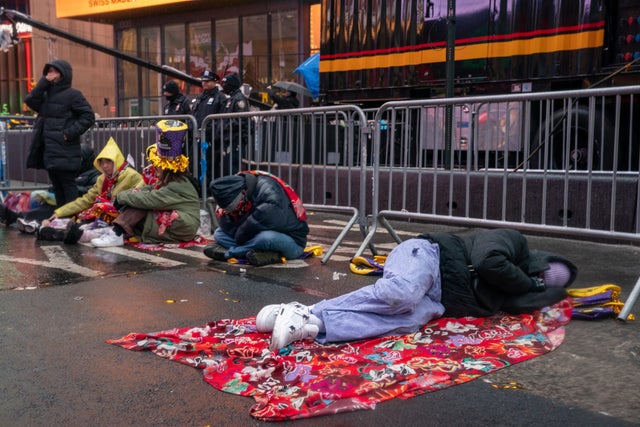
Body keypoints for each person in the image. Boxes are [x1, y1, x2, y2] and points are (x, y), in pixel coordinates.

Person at [256, 228, 577, 350]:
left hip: (438, 299)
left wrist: (536, 293)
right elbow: (488, 262)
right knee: (401, 294)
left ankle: (315, 326)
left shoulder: (509, 292)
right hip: (427, 256)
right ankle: (307, 309)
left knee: (407, 320)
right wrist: (529, 283)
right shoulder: (512, 242)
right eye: (543, 277)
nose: (539, 283)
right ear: (537, 264)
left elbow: (520, 297)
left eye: (543, 285)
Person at [89, 119, 201, 248]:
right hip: (179, 222)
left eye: (156, 166)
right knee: (137, 198)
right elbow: (149, 190)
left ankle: (117, 233)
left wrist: (122, 197)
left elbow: (150, 198)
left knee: (141, 203)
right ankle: (116, 232)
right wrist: (125, 196)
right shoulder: (171, 180)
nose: (154, 168)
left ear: (165, 168)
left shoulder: (178, 184)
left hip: (183, 226)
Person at [21, 137, 144, 242]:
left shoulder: (131, 176)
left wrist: (109, 207)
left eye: (108, 162)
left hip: (122, 220)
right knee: (78, 222)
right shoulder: (102, 179)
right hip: (103, 217)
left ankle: (58, 233)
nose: (105, 166)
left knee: (87, 227)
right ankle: (48, 230)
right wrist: (60, 212)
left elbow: (137, 199)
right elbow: (86, 200)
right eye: (102, 162)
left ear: (116, 161)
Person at [24, 59, 96, 209]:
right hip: (50, 150)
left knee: (68, 186)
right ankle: (61, 220)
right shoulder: (47, 96)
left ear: (63, 74)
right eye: (48, 71)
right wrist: (43, 82)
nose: (50, 74)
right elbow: (30, 100)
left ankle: (72, 220)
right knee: (57, 187)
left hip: (65, 149)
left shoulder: (73, 95)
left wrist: (69, 134)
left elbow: (88, 116)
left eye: (54, 71)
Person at [203, 171, 309, 266]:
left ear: (241, 195)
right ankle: (263, 254)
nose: (228, 211)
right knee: (219, 234)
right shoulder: (238, 192)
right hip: (254, 237)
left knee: (265, 238)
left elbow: (262, 220)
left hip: (292, 243)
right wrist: (232, 222)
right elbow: (230, 226)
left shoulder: (268, 190)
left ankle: (230, 253)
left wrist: (241, 234)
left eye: (230, 207)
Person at [1, 143, 99, 226]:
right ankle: (19, 216)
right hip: (67, 201)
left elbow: (90, 193)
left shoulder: (95, 174)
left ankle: (18, 217)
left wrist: (70, 188)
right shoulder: (74, 172)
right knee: (46, 205)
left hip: (78, 204)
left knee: (52, 210)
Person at [191, 70, 227, 188]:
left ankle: (209, 191)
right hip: (198, 138)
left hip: (211, 139)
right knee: (196, 165)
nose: (204, 83)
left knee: (210, 166)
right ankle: (199, 190)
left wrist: (213, 133)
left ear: (215, 82)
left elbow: (221, 119)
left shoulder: (220, 98)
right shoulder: (200, 98)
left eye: (207, 81)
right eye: (203, 81)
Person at [218, 73, 250, 176]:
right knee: (227, 167)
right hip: (228, 140)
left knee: (233, 168)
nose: (224, 86)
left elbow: (242, 119)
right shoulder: (231, 99)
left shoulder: (239, 99)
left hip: (236, 140)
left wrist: (226, 126)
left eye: (226, 84)